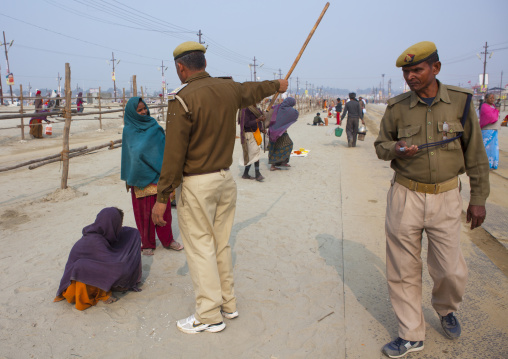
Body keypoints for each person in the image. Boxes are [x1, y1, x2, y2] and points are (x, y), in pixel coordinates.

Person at [151, 41, 287, 334]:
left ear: (180, 67)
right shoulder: (229, 89)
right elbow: (255, 88)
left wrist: (162, 196)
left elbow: (173, 154)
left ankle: (209, 315)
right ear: (205, 63)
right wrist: (278, 83)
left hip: (197, 184)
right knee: (220, 244)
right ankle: (228, 303)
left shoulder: (182, 99)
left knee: (200, 248)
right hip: (225, 180)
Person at [374, 41, 490, 358]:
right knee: (402, 269)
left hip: (446, 197)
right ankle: (411, 334)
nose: (410, 76)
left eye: (417, 69)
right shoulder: (397, 108)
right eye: (406, 71)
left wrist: (478, 197)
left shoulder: (461, 104)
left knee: (451, 270)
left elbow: (477, 155)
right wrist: (395, 149)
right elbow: (381, 146)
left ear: (435, 68)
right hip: (405, 196)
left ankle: (445, 308)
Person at [121, 97, 183, 255]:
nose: (144, 112)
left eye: (144, 109)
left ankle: (168, 240)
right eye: (139, 110)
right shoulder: (128, 130)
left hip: (158, 176)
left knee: (164, 211)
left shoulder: (154, 126)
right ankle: (147, 243)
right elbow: (129, 155)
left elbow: (163, 149)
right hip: (139, 178)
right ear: (132, 113)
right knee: (143, 214)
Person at [54, 207, 142, 311]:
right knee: (118, 269)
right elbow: (111, 268)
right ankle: (101, 293)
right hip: (75, 286)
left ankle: (103, 290)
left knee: (131, 234)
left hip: (85, 276)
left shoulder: (100, 234)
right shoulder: (94, 240)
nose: (120, 227)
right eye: (119, 225)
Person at [268, 97, 299, 171]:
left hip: (273, 130)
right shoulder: (289, 110)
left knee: (274, 146)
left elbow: (270, 110)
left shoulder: (277, 107)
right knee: (289, 144)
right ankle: (274, 164)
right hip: (279, 132)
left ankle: (281, 162)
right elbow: (296, 113)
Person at [238, 105, 265, 181]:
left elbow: (257, 122)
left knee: (252, 154)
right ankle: (257, 174)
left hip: (256, 133)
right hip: (249, 135)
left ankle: (246, 174)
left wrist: (262, 129)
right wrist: (258, 120)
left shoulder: (256, 108)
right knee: (255, 153)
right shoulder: (245, 109)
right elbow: (245, 124)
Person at [479, 93, 500, 169]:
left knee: (494, 148)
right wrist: (497, 111)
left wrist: (496, 111)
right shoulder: (484, 107)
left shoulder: (493, 106)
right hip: (487, 130)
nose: (492, 99)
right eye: (490, 98)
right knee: (486, 147)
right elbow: (491, 117)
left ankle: (493, 163)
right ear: (486, 99)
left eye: (493, 98)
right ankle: (485, 163)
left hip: (494, 129)